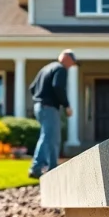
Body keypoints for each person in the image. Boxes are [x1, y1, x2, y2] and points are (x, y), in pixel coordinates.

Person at [28, 50, 76, 179]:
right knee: (49, 137)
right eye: (72, 62)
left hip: (40, 106)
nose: (72, 65)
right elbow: (58, 86)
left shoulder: (46, 68)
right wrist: (66, 105)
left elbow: (32, 88)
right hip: (49, 107)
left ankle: (53, 168)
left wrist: (39, 99)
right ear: (66, 58)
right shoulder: (60, 69)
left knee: (52, 138)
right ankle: (36, 167)